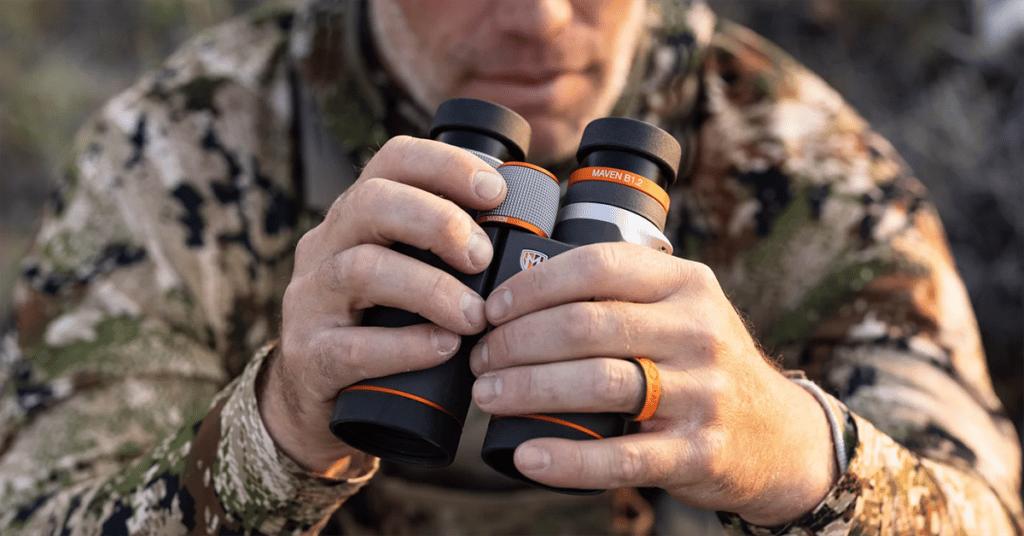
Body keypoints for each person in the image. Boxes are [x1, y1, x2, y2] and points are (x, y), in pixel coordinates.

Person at [1, 0, 1020, 534]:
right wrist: (276, 429)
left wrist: (796, 454)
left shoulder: (787, 154)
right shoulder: (185, 146)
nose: (537, 17)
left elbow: (980, 508)